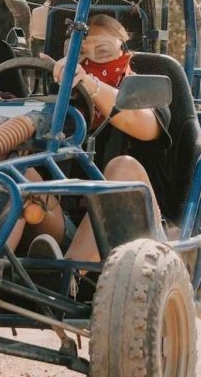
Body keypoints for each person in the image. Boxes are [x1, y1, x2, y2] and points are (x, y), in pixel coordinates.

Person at [47, 14, 175, 261]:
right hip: (68, 223)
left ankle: (68, 276)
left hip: (140, 231)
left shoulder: (145, 86)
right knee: (19, 174)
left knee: (122, 168)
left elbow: (142, 124)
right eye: (81, 52)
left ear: (122, 48)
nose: (92, 59)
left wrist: (90, 84)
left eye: (102, 50)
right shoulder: (65, 97)